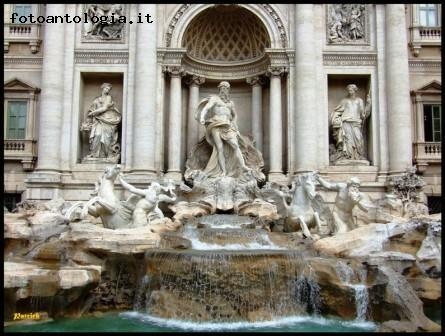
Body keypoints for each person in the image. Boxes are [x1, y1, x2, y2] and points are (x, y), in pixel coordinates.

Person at [195, 81, 250, 177]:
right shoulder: (215, 99)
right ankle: (223, 171)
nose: (223, 91)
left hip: (228, 126)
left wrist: (235, 125)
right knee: (219, 148)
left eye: (225, 89)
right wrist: (202, 117)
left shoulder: (230, 103)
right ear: (219, 89)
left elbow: (235, 115)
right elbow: (206, 108)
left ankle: (243, 166)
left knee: (235, 145)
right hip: (216, 124)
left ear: (228, 90)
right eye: (222, 88)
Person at [329, 84, 371, 162]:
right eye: (349, 90)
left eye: (351, 90)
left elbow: (363, 115)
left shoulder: (359, 101)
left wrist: (368, 104)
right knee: (347, 140)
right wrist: (336, 118)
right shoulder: (344, 101)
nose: (350, 92)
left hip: (356, 123)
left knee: (358, 138)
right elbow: (337, 111)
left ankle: (358, 155)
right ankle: (347, 156)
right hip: (346, 122)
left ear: (355, 90)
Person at [85, 83, 121, 159]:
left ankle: (107, 155)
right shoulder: (96, 99)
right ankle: (94, 154)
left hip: (107, 120)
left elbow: (104, 108)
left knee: (106, 139)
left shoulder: (109, 97)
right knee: (97, 135)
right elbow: (91, 110)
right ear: (102, 88)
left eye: (108, 89)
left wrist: (93, 113)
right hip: (98, 120)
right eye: (106, 88)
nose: (107, 90)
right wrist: (89, 120)